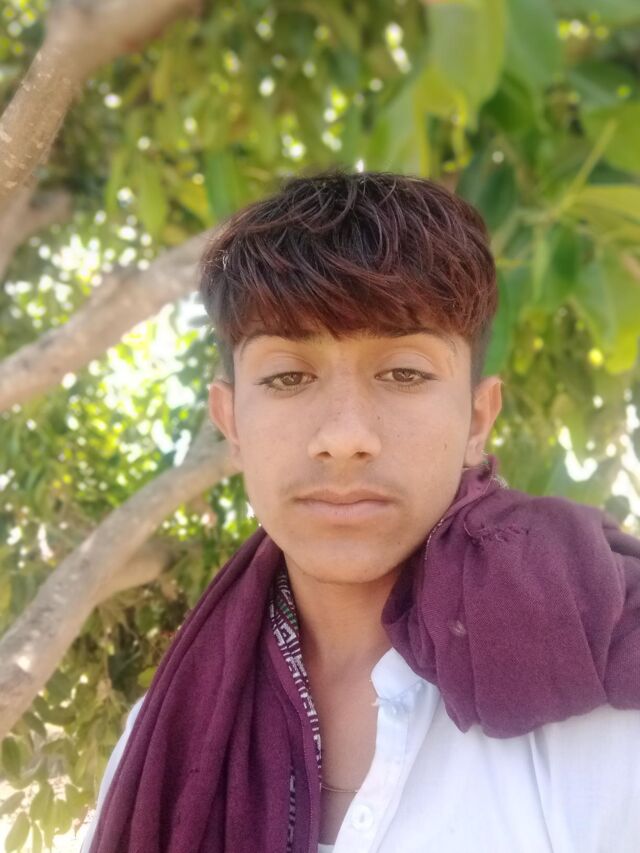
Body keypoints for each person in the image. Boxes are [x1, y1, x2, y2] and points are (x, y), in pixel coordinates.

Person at [82, 171, 640, 853]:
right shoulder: (161, 739)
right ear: (231, 422)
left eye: (404, 373)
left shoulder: (601, 683)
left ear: (476, 418)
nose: (344, 436)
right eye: (288, 376)